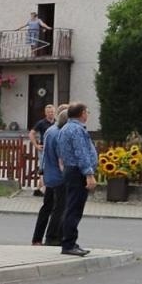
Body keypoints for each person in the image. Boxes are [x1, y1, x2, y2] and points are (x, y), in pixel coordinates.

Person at [52, 101, 97, 257]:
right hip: (77, 171)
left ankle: (68, 241)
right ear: (82, 113)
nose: (87, 115)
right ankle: (69, 243)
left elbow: (60, 150)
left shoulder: (64, 128)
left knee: (71, 206)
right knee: (74, 208)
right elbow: (81, 153)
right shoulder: (77, 130)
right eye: (86, 112)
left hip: (70, 170)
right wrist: (89, 174)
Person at [33, 104, 69, 246]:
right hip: (57, 176)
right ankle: (52, 237)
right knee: (59, 207)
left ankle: (37, 238)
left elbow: (45, 155)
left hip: (49, 174)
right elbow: (60, 157)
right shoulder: (58, 132)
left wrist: (42, 171)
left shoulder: (50, 130)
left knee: (48, 207)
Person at [28, 103, 56, 196]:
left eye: (52, 112)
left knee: (51, 168)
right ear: (45, 113)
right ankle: (43, 189)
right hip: (43, 149)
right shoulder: (41, 123)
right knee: (43, 168)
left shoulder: (57, 123)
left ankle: (39, 189)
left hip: (54, 149)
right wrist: (36, 145)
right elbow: (31, 133)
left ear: (55, 112)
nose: (51, 113)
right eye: (49, 112)